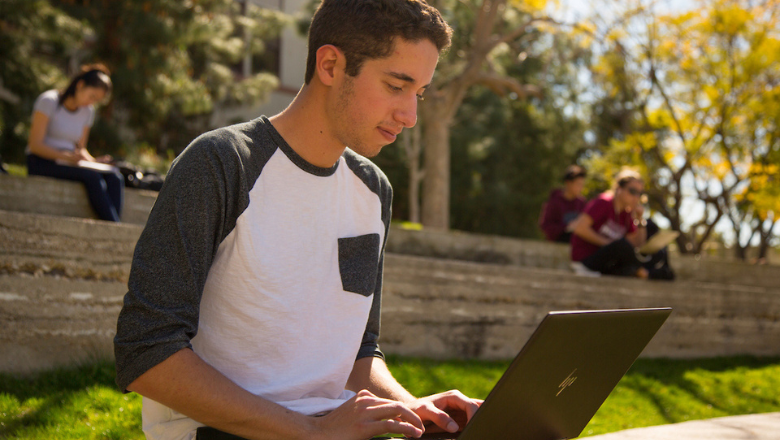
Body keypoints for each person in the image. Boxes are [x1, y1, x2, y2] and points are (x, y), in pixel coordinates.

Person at [113, 1, 480, 440]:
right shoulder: (221, 163)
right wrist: (310, 430)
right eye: (396, 85)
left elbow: (358, 352)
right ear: (329, 65)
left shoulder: (373, 190)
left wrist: (413, 408)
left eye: (417, 92)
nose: (410, 115)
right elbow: (146, 351)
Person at [27, 64, 123, 222]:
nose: (92, 102)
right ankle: (114, 227)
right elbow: (35, 145)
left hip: (69, 163)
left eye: (97, 100)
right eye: (92, 96)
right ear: (80, 85)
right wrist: (65, 157)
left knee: (115, 177)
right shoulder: (49, 101)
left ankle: (112, 227)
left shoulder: (88, 111)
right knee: (93, 177)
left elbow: (80, 148)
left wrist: (94, 161)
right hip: (41, 161)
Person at [570, 168, 648, 278]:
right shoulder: (604, 202)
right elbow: (580, 228)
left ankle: (649, 272)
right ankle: (644, 272)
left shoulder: (626, 214)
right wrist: (608, 243)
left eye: (639, 193)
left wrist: (640, 219)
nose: (636, 197)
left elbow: (637, 245)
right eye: (632, 191)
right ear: (619, 188)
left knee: (653, 237)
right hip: (586, 260)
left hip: (605, 264)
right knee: (621, 245)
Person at [539, 165, 587, 243]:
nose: (581, 188)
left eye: (582, 185)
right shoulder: (554, 200)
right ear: (568, 183)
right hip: (556, 244)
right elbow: (545, 226)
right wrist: (566, 228)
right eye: (578, 184)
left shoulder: (581, 203)